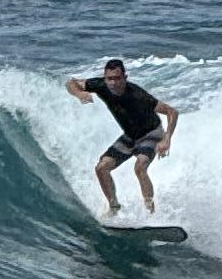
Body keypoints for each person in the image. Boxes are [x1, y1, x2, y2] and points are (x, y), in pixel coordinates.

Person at [65, 56, 178, 216]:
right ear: (105, 78)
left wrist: (166, 139)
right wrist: (79, 94)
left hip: (151, 133)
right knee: (101, 168)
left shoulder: (137, 94)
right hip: (131, 136)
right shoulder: (101, 85)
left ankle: (151, 213)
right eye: (109, 79)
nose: (113, 83)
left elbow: (172, 112)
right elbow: (71, 82)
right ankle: (114, 207)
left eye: (117, 78)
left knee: (140, 167)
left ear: (125, 78)